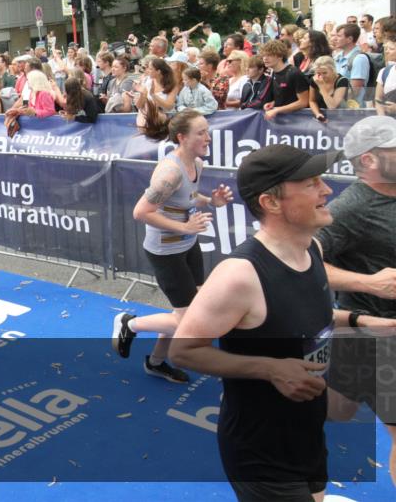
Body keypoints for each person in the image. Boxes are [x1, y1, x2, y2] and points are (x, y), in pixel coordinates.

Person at [169, 144, 396, 501]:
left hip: (307, 432)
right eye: (310, 183)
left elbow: (303, 316)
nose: (327, 190)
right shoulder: (239, 274)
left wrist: (360, 319)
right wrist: (271, 369)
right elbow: (183, 349)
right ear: (271, 202)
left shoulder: (313, 251)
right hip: (260, 449)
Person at [112, 110, 234, 383]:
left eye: (207, 131)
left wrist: (211, 201)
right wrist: (184, 227)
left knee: (187, 312)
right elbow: (141, 212)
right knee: (190, 321)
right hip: (165, 253)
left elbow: (188, 197)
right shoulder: (169, 172)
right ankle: (129, 323)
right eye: (201, 133)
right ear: (182, 137)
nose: (208, 137)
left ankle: (155, 362)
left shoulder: (197, 164)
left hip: (188, 247)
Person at [315, 115, 396, 483]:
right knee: (343, 411)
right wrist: (368, 283)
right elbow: (301, 263)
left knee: (341, 407)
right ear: (369, 160)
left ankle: (298, 404)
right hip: (373, 337)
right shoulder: (351, 207)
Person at [262, 39, 310, 121]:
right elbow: (286, 97)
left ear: (280, 56)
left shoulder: (294, 73)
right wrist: (273, 104)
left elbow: (303, 102)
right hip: (281, 121)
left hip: (297, 121)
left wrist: (277, 110)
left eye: (269, 55)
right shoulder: (273, 73)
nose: (265, 59)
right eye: (263, 55)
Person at [307, 56, 349, 122]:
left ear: (333, 70)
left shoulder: (342, 81)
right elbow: (312, 100)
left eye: (325, 73)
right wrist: (318, 114)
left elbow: (332, 106)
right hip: (322, 118)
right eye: (318, 73)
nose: (322, 76)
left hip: (341, 119)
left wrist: (321, 87)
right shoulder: (315, 79)